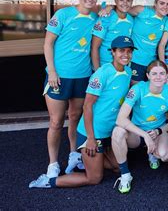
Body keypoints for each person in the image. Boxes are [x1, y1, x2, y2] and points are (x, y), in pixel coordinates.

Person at [29, 36, 135, 188]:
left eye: (129, 51)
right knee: (94, 178)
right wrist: (91, 138)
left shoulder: (128, 71)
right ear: (112, 52)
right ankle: (49, 181)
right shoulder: (101, 74)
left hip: (108, 133)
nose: (126, 54)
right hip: (91, 134)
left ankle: (91, 159)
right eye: (121, 51)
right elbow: (87, 106)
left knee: (118, 167)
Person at [41, 0, 99, 178]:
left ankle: (74, 154)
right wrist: (52, 72)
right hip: (59, 78)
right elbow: (48, 44)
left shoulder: (95, 18)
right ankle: (53, 163)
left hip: (83, 77)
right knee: (56, 122)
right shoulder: (63, 15)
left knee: (75, 117)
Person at [111, 60, 168, 193]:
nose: (158, 77)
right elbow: (120, 119)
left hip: (157, 131)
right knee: (117, 132)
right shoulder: (138, 89)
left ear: (167, 76)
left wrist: (159, 131)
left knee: (165, 156)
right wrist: (145, 135)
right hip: (136, 133)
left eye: (162, 73)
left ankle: (153, 153)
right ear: (148, 75)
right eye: (154, 73)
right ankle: (125, 175)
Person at [91, 0, 134, 70]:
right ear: (115, 0)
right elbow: (94, 47)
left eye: (128, 0)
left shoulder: (131, 20)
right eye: (121, 0)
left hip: (122, 67)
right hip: (104, 66)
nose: (125, 3)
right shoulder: (106, 17)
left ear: (132, 2)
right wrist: (98, 72)